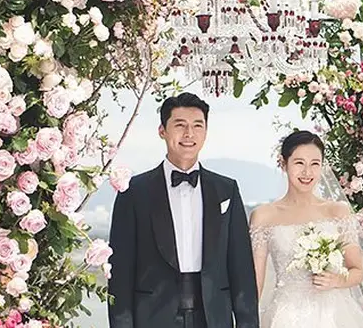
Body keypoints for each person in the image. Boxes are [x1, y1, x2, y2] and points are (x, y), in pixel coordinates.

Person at [108, 92, 260, 328]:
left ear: (206, 132)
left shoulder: (226, 189)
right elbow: (120, 274)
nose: (189, 134)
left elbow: (241, 268)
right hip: (153, 318)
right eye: (180, 125)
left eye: (197, 126)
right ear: (162, 131)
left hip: (213, 317)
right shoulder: (134, 192)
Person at [249, 130, 363, 328]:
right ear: (284, 164)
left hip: (335, 314)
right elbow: (255, 281)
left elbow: (357, 272)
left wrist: (337, 280)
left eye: (315, 164)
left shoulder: (338, 211)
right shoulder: (264, 215)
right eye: (299, 163)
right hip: (286, 315)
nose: (307, 172)